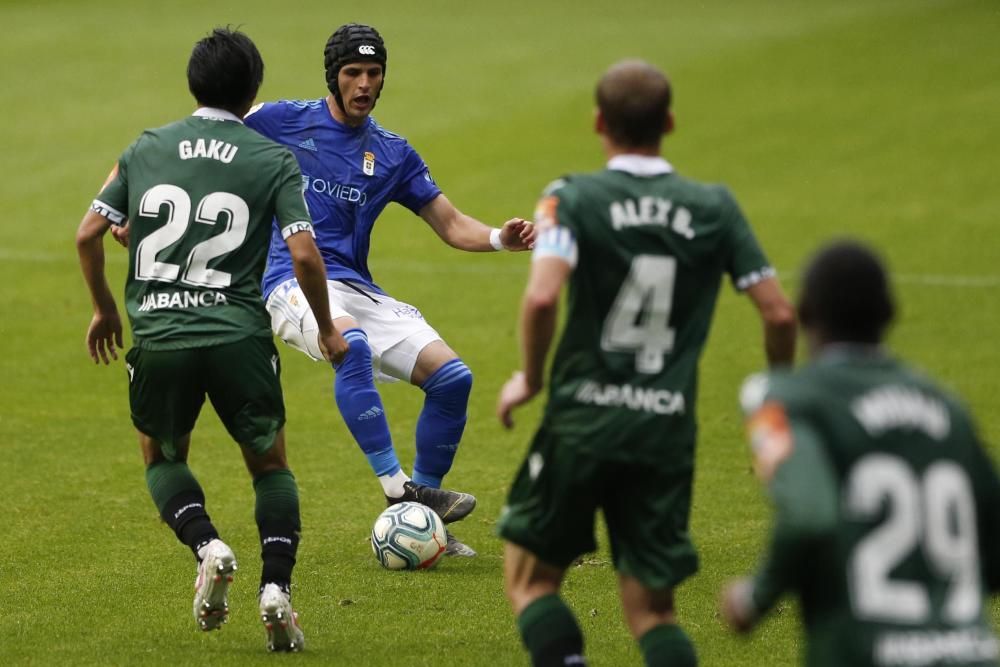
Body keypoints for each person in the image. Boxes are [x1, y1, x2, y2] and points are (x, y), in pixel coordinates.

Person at [495, 59, 797, 666]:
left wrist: (530, 378)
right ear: (671, 122)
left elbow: (543, 294)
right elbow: (780, 315)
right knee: (654, 613)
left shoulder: (570, 198)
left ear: (599, 122)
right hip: (665, 430)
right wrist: (780, 392)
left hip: (581, 421)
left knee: (531, 582)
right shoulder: (715, 207)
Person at [76, 27, 348, 652]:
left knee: (164, 458)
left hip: (162, 338)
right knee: (270, 465)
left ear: (193, 83)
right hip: (239, 339)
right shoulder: (270, 157)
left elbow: (90, 232)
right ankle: (275, 590)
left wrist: (104, 311)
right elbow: (304, 255)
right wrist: (327, 328)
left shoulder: (146, 147)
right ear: (253, 91)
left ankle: (208, 546)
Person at [241, 23, 536, 557]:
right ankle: (400, 492)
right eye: (352, 73)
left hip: (355, 286)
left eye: (374, 74)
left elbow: (449, 223)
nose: (364, 84)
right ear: (332, 76)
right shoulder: (280, 121)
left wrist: (499, 238)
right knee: (349, 345)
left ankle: (421, 518)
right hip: (291, 281)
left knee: (452, 378)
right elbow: (210, 135)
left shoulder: (393, 153)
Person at [721, 241, 1000, 666]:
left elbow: (808, 516)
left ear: (808, 314)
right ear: (889, 314)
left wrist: (754, 598)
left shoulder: (781, 398)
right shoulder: (947, 406)